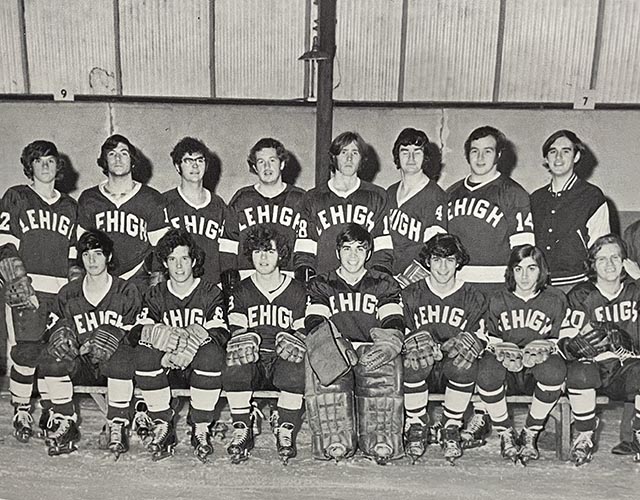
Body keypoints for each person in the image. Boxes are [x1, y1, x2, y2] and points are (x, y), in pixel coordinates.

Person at [304, 223, 405, 465]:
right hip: (338, 347)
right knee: (324, 363)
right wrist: (334, 343)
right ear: (337, 252)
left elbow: (393, 318)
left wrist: (389, 340)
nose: (353, 255)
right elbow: (315, 320)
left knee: (384, 370)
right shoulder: (322, 283)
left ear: (369, 253)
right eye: (347, 249)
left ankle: (381, 438)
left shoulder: (382, 282)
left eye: (360, 249)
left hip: (370, 349)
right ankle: (334, 438)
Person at [37, 229, 142, 457]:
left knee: (122, 356)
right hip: (82, 365)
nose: (92, 260)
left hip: (115, 367)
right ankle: (66, 421)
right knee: (51, 357)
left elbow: (138, 332)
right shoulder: (68, 293)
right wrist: (62, 336)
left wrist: (116, 333)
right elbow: (50, 330)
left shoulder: (126, 290)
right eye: (86, 255)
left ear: (109, 257)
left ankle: (118, 423)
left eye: (97, 253)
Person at [0, 140, 78, 443]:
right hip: (27, 290)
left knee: (55, 352)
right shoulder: (17, 196)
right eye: (38, 160)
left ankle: (51, 409)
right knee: (26, 353)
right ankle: (21, 407)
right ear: (29, 166)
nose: (45, 165)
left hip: (58, 293)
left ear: (58, 167)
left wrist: (73, 294)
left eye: (50, 160)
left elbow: (75, 257)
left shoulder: (70, 206)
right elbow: (5, 246)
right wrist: (19, 285)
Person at [132, 229, 228, 462]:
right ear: (165, 263)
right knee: (144, 354)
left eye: (184, 258)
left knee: (212, 354)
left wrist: (191, 340)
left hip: (198, 367)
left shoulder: (209, 291)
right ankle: (162, 424)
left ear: (193, 260)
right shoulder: (155, 294)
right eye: (172, 259)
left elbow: (222, 333)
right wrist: (158, 339)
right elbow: (135, 333)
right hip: (167, 368)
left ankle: (201, 426)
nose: (178, 266)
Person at [223, 224, 307, 464]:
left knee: (296, 362)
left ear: (280, 254)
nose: (263, 257)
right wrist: (245, 337)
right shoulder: (241, 290)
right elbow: (236, 328)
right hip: (254, 361)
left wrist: (298, 339)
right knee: (236, 359)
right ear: (250, 254)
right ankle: (243, 427)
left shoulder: (297, 290)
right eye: (258, 251)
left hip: (282, 359)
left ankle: (285, 429)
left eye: (269, 251)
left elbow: (302, 329)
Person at [401, 233, 487, 464]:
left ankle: (450, 427)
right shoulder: (410, 293)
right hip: (421, 370)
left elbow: (480, 336)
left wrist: (470, 343)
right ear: (427, 261)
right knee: (413, 359)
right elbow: (403, 331)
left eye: (449, 260)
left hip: (452, 367)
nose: (442, 266)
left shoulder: (473, 296)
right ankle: (416, 425)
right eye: (437, 259)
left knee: (465, 361)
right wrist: (414, 342)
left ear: (458, 262)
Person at [476, 244, 567, 464]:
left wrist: (549, 346)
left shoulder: (556, 299)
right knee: (486, 372)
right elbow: (490, 337)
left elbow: (563, 338)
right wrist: (498, 348)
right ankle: (505, 432)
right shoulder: (497, 298)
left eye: (531, 268)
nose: (524, 276)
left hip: (537, 370)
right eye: (518, 269)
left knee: (555, 371)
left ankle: (531, 432)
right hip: (506, 370)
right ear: (511, 271)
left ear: (541, 271)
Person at [559, 234, 640, 465]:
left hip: (627, 369)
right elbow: (565, 339)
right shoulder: (581, 295)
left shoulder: (635, 290)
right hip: (594, 367)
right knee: (579, 371)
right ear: (592, 264)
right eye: (602, 259)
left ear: (626, 262)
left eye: (616, 257)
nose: (610, 264)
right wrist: (573, 347)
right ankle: (584, 434)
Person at [440, 126, 534, 294]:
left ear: (498, 155)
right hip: (457, 285)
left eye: (488, 151)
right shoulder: (450, 193)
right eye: (474, 151)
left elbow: (523, 251)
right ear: (467, 155)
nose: (480, 157)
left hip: (498, 287)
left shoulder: (514, 193)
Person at [294, 131, 393, 281]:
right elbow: (304, 252)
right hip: (325, 284)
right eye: (343, 152)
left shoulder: (377, 196)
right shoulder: (313, 197)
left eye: (355, 152)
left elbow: (383, 251)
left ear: (362, 159)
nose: (349, 158)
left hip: (364, 285)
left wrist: (375, 284)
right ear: (334, 157)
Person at [77, 134, 169, 289]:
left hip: (139, 279)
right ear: (105, 161)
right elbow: (80, 246)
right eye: (112, 154)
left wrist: (155, 282)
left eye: (123, 153)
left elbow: (162, 247)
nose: (118, 159)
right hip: (100, 280)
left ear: (132, 161)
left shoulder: (151, 197)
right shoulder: (89, 198)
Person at [220, 137, 305, 291]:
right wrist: (231, 278)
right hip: (248, 279)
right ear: (254, 167)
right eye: (261, 162)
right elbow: (228, 244)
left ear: (282, 164)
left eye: (272, 160)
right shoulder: (242, 198)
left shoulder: (299, 199)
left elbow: (306, 245)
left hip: (287, 279)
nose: (267, 166)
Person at [531, 130, 610, 291]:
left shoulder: (592, 196)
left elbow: (602, 249)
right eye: (553, 152)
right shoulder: (535, 198)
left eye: (565, 151)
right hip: (541, 286)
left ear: (576, 157)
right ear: (546, 158)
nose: (558, 157)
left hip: (578, 286)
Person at [162, 137, 230, 286]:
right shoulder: (165, 203)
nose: (195, 166)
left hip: (211, 288)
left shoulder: (218, 205)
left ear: (206, 166)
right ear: (177, 166)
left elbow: (226, 256)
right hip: (176, 287)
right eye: (188, 160)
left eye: (199, 160)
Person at [386, 128, 447, 288]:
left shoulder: (435, 196)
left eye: (417, 152)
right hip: (388, 278)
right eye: (405, 151)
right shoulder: (389, 192)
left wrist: (406, 280)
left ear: (425, 156)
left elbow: (436, 248)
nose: (411, 158)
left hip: (416, 282)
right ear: (397, 156)